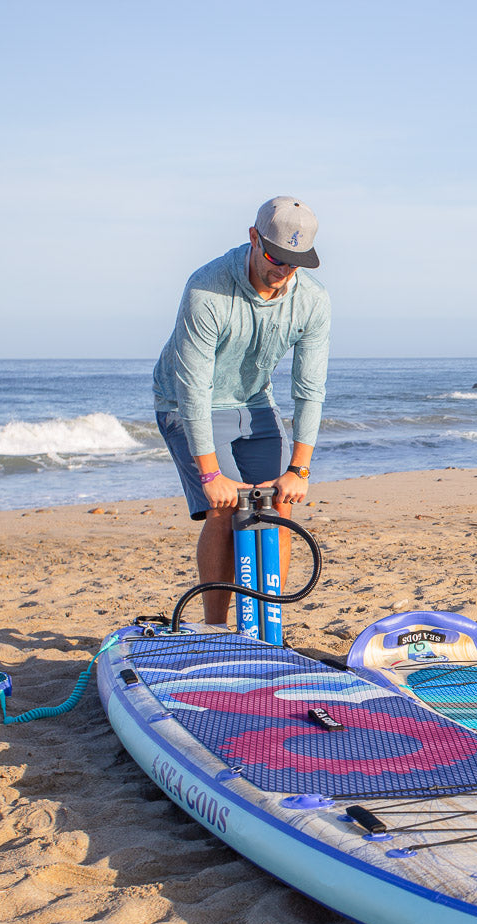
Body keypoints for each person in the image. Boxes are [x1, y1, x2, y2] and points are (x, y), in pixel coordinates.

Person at [153, 196, 331, 625]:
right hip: (185, 400)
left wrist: (299, 471)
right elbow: (193, 388)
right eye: (275, 257)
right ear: (254, 238)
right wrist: (211, 475)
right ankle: (216, 628)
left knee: (277, 505)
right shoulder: (207, 289)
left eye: (294, 262)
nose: (283, 271)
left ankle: (268, 628)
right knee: (224, 507)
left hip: (252, 402)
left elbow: (309, 389)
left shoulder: (311, 301)